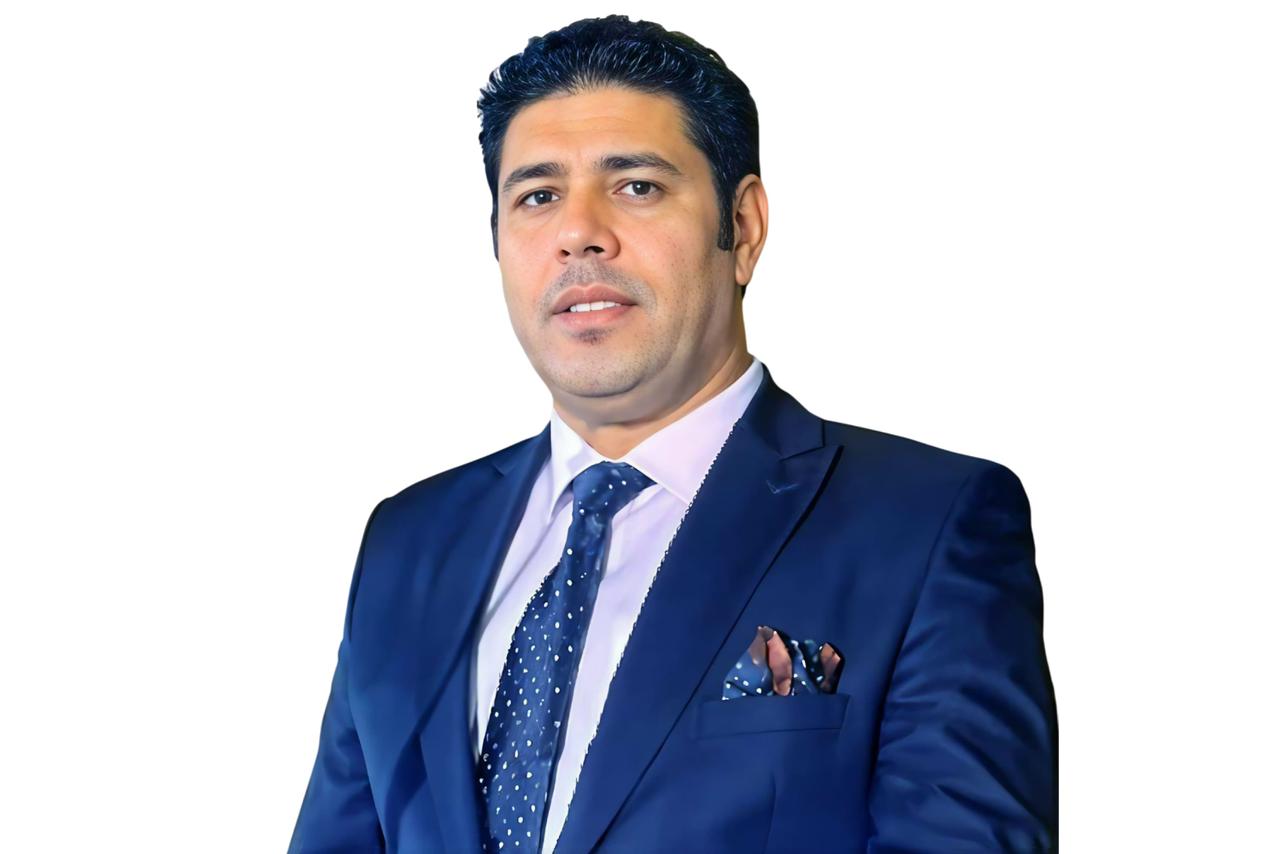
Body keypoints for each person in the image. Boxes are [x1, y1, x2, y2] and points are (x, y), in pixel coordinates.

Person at [289, 14, 1057, 854]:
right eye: (538, 196)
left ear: (744, 228)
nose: (578, 233)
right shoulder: (409, 540)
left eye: (636, 186)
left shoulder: (924, 524)